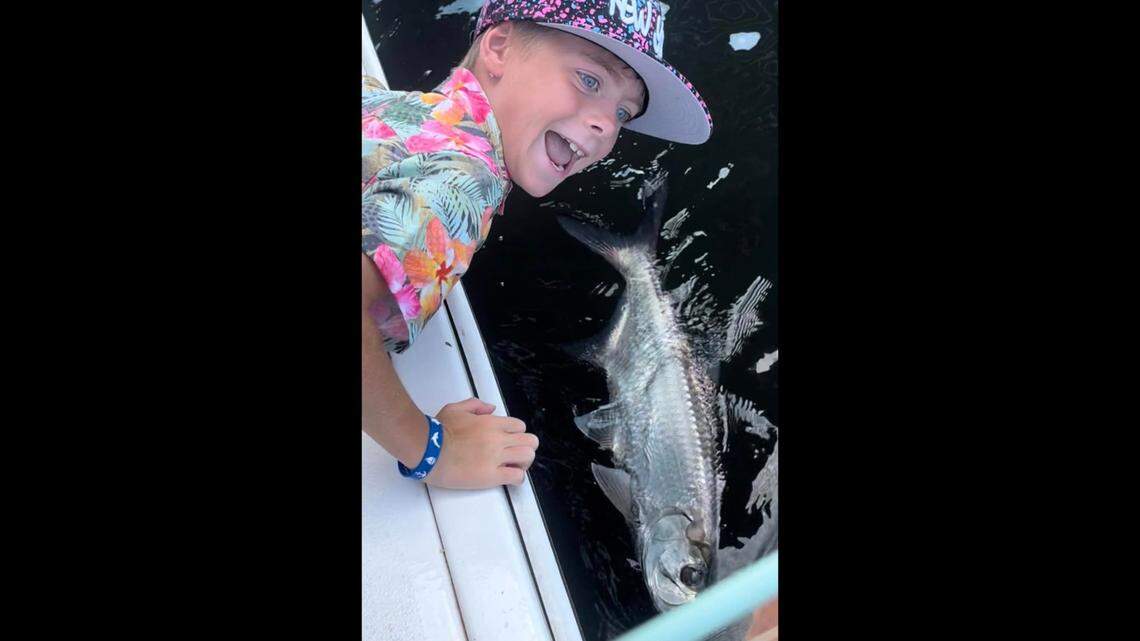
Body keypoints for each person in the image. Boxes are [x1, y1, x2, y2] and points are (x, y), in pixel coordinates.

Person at [362, 0, 712, 489]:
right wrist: (428, 450)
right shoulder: (463, 184)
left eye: (623, 112)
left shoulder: (406, 113)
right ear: (498, 47)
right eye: (589, 80)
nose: (608, 126)